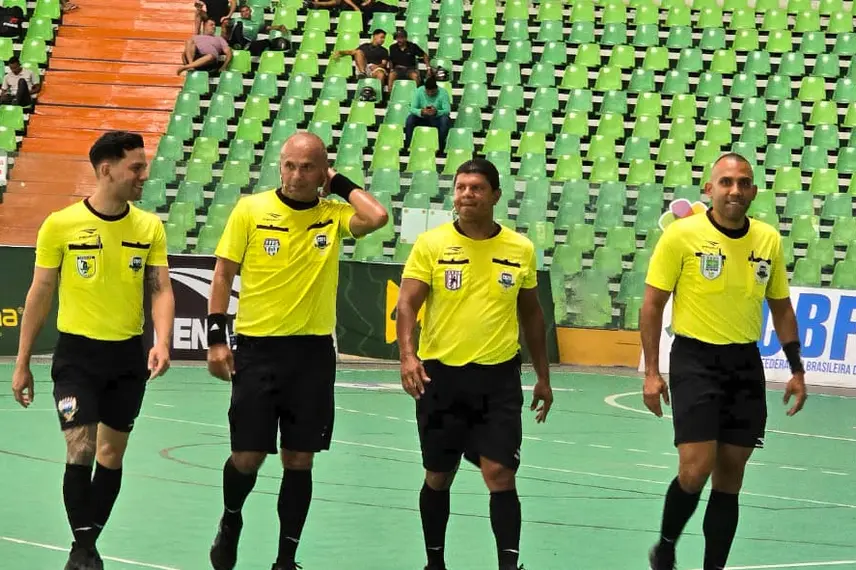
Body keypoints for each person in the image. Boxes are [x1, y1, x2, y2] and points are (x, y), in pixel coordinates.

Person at [206, 132, 389, 570]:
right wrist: (216, 338)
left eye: (308, 167)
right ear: (279, 166)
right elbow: (222, 273)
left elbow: (378, 216)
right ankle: (231, 520)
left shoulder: (332, 214)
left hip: (311, 354)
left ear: (322, 171)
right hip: (257, 349)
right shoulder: (250, 210)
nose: (296, 175)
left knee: (299, 458)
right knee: (247, 456)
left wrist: (340, 184)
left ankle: (286, 559)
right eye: (289, 165)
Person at [11, 131, 175, 570]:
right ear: (107, 170)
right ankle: (85, 550)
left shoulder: (149, 227)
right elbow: (40, 292)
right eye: (135, 167)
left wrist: (161, 340)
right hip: (77, 357)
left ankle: (84, 546)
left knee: (110, 455)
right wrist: (22, 363)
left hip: (126, 357)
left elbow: (160, 289)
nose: (144, 174)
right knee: (80, 445)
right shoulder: (60, 225)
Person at [640, 153, 808, 570]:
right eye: (727, 182)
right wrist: (651, 372)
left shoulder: (768, 238)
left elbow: (782, 307)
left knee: (731, 476)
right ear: (709, 189)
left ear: (753, 190)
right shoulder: (681, 235)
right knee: (696, 469)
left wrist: (797, 369)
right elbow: (651, 304)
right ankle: (666, 545)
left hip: (745, 364)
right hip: (695, 359)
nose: (735, 190)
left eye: (744, 182)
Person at [397, 158, 554, 570]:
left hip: (498, 379)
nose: (467, 195)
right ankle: (435, 562)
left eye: (477, 188)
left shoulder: (519, 249)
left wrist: (543, 377)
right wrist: (408, 356)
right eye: (461, 187)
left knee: (500, 473)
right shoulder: (431, 245)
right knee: (438, 475)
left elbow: (532, 315)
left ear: (496, 195)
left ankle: (508, 565)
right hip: (440, 378)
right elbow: (407, 304)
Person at [404, 77, 451, 152]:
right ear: (425, 89)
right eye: (428, 91)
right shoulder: (419, 91)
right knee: (410, 118)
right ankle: (408, 145)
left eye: (432, 92)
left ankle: (440, 146)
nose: (430, 94)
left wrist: (436, 112)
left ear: (436, 89)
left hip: (436, 119)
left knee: (445, 119)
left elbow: (447, 111)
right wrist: (422, 111)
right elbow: (412, 109)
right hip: (422, 118)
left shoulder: (443, 92)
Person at [222, 3, 289, 55]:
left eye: (246, 10)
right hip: (235, 41)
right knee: (239, 24)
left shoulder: (257, 23)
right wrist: (224, 35)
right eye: (242, 12)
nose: (245, 13)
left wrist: (278, 27)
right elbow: (225, 23)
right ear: (241, 14)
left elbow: (266, 28)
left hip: (249, 44)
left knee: (266, 42)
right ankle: (239, 45)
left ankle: (245, 46)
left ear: (250, 11)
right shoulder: (236, 20)